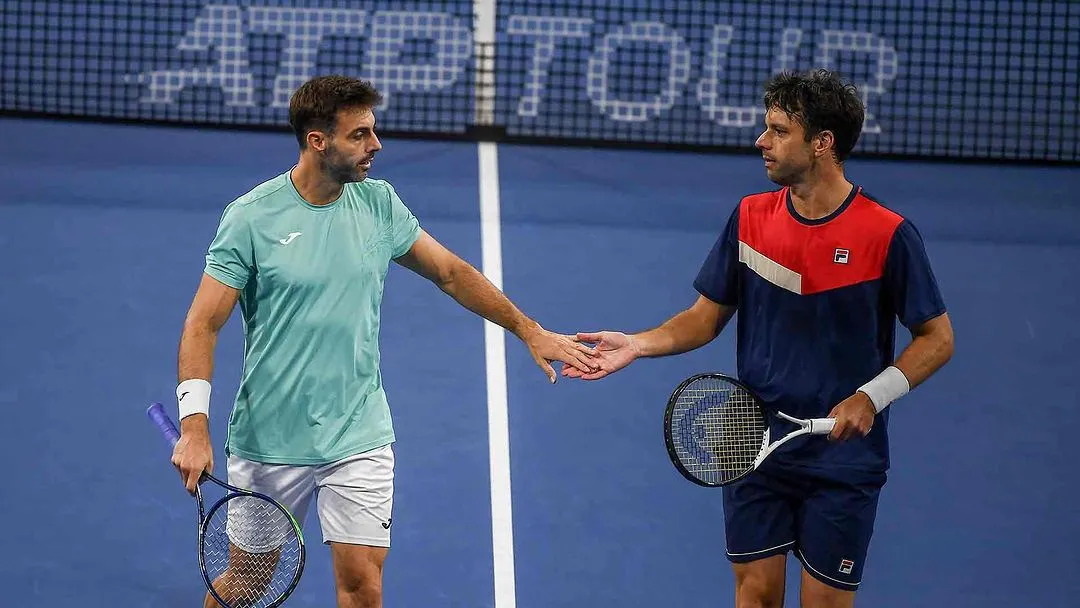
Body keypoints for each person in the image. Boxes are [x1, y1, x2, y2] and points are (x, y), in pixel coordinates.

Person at [169, 74, 598, 608]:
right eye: (360, 135)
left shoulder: (379, 204)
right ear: (317, 141)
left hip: (359, 433)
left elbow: (450, 273)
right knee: (248, 583)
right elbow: (202, 324)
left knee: (363, 587)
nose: (376, 145)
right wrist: (194, 427)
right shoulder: (251, 218)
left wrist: (529, 330)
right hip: (269, 438)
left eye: (373, 131)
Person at [564, 69, 954, 607]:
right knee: (756, 596)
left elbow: (937, 338)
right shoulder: (750, 217)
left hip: (843, 461)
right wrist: (638, 343)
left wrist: (872, 396)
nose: (760, 141)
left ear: (822, 144)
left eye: (777, 131)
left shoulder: (887, 234)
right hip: (751, 438)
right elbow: (704, 318)